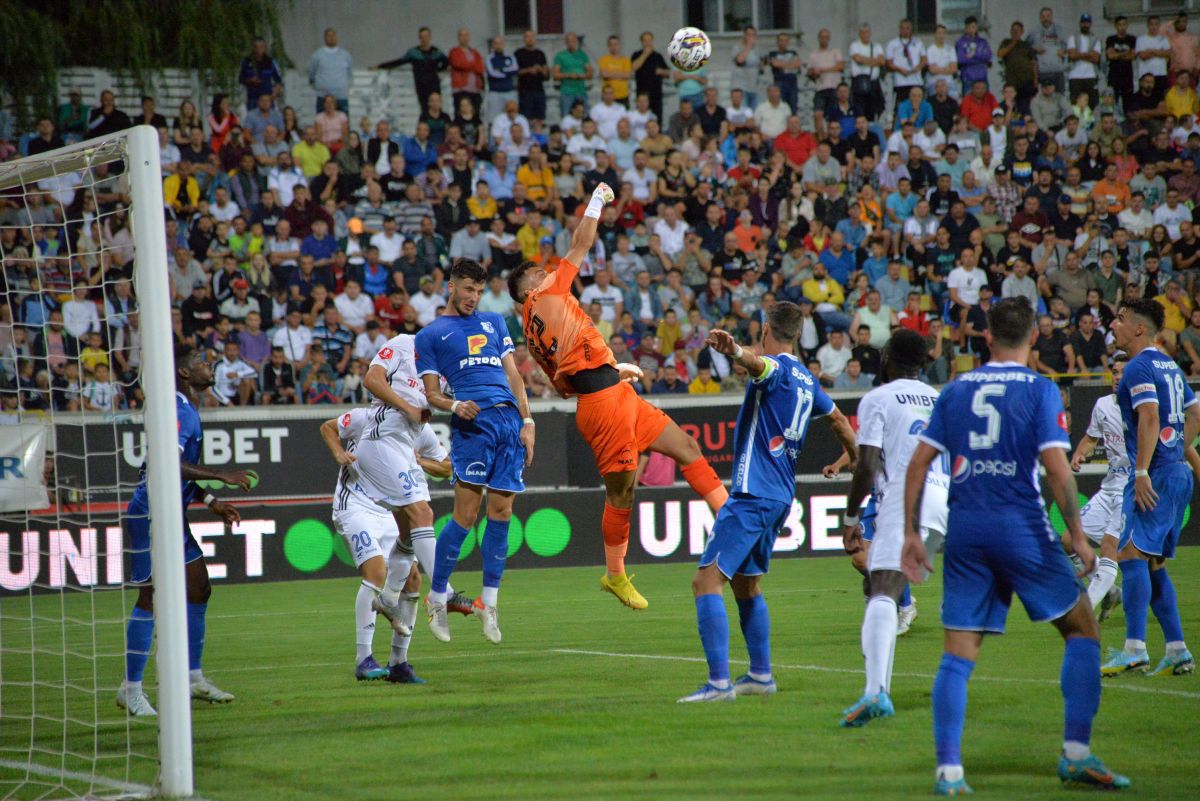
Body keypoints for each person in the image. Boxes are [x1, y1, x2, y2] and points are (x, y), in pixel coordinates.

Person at [902, 297, 1128, 794]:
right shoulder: (1043, 390)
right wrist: (1076, 535)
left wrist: (912, 534)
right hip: (1021, 527)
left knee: (958, 652)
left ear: (986, 338)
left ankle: (949, 772)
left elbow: (918, 464)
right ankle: (1076, 753)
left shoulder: (955, 389)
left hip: (965, 530)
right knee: (1082, 629)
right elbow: (1057, 468)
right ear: (1032, 338)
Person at [507, 183, 730, 609]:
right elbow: (581, 242)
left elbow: (566, 378)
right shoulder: (547, 292)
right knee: (623, 493)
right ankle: (614, 574)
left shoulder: (533, 336)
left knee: (685, 446)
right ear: (530, 286)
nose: (550, 270)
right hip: (604, 407)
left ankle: (732, 519)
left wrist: (614, 369)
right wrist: (597, 201)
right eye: (540, 270)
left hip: (612, 393)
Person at [677, 304, 858, 702]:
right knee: (746, 584)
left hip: (752, 493)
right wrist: (854, 460)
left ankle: (719, 683)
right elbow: (842, 423)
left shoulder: (775, 368)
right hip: (779, 497)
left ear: (765, 330)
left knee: (706, 581)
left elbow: (760, 367)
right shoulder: (809, 381)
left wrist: (734, 352)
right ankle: (760, 676)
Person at [117, 344, 251, 717]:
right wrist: (223, 476)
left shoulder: (188, 409)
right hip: (150, 513)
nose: (211, 366)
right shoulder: (179, 410)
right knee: (152, 597)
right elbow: (168, 463)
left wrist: (211, 502)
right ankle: (130, 688)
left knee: (198, 586)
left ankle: (192, 678)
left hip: (172, 512)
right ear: (185, 374)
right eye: (203, 363)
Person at [415, 259, 534, 645]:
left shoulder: (495, 323)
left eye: (480, 291)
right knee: (465, 515)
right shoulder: (431, 335)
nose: (473, 297)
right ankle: (436, 598)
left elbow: (514, 374)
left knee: (503, 513)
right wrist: (453, 405)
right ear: (450, 286)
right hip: (472, 423)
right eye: (468, 289)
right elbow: (430, 393)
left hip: (508, 422)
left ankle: (490, 605)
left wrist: (528, 420)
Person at [839, 329, 948, 726]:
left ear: (887, 357)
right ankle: (878, 688)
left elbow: (866, 464)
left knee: (881, 588)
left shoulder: (878, 398)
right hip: (941, 502)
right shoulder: (940, 398)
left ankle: (874, 694)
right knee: (881, 587)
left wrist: (851, 519)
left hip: (905, 498)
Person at [1102, 299, 1200, 677]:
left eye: (1121, 320)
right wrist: (1176, 450)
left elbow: (1149, 416)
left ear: (1139, 329)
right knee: (1153, 563)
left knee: (1129, 554)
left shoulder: (1140, 364)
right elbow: (1195, 414)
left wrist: (1142, 470)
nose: (1114, 325)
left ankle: (1134, 648)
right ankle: (1177, 648)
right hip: (1176, 472)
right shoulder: (1170, 365)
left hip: (1155, 475)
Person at [320, 406, 437, 683]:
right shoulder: (365, 416)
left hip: (390, 511)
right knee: (376, 573)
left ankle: (399, 663)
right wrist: (338, 452)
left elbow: (445, 465)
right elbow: (327, 427)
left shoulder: (421, 427)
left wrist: (423, 463)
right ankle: (363, 659)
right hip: (355, 507)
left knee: (412, 580)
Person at [1067, 355, 1129, 621]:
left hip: (1132, 490)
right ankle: (1111, 591)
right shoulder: (1103, 404)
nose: (1117, 378)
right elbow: (1091, 439)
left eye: (1122, 373)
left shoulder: (1146, 407)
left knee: (1110, 547)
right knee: (1069, 540)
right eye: (1114, 373)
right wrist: (1080, 454)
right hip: (1109, 489)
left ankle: (1084, 614)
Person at [377, 27, 449, 114]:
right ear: (419, 38)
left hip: (434, 84)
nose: (424, 39)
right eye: (422, 37)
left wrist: (439, 70)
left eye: (426, 36)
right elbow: (399, 61)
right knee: (424, 108)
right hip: (421, 85)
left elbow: (446, 62)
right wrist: (380, 66)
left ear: (430, 37)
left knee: (437, 108)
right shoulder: (413, 53)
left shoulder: (436, 52)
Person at [307, 28, 352, 113]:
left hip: (341, 96)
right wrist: (315, 84)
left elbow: (349, 73)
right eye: (328, 35)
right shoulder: (317, 55)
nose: (331, 38)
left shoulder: (345, 55)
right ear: (324, 38)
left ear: (336, 37)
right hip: (322, 96)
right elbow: (311, 71)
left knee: (343, 122)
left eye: (333, 35)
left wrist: (344, 85)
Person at [632, 31, 670, 121]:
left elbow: (668, 72)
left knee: (657, 119)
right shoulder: (636, 54)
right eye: (645, 41)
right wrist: (645, 54)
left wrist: (661, 71)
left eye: (649, 40)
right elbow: (633, 67)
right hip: (642, 94)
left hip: (656, 95)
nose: (648, 43)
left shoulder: (658, 56)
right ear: (641, 42)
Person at [238, 37, 283, 110]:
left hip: (267, 99)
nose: (259, 49)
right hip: (253, 99)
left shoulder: (271, 62)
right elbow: (240, 79)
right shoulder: (246, 61)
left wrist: (273, 96)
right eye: (256, 47)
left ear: (265, 48)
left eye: (261, 47)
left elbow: (279, 80)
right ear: (252, 48)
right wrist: (250, 80)